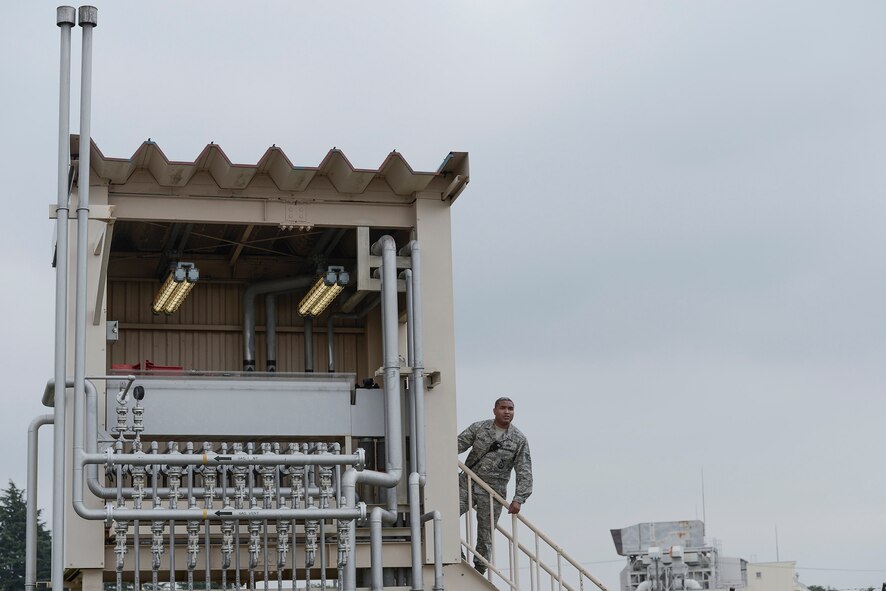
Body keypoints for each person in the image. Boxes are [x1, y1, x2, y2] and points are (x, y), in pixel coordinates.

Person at [458, 397, 533, 574]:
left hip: (492, 492)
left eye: (511, 409)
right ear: (494, 410)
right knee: (446, 516)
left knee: (485, 534)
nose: (507, 412)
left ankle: (480, 568)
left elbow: (524, 471)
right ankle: (456, 552)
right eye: (503, 408)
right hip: (467, 483)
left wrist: (519, 498)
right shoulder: (479, 428)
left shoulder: (518, 439)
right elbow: (455, 445)